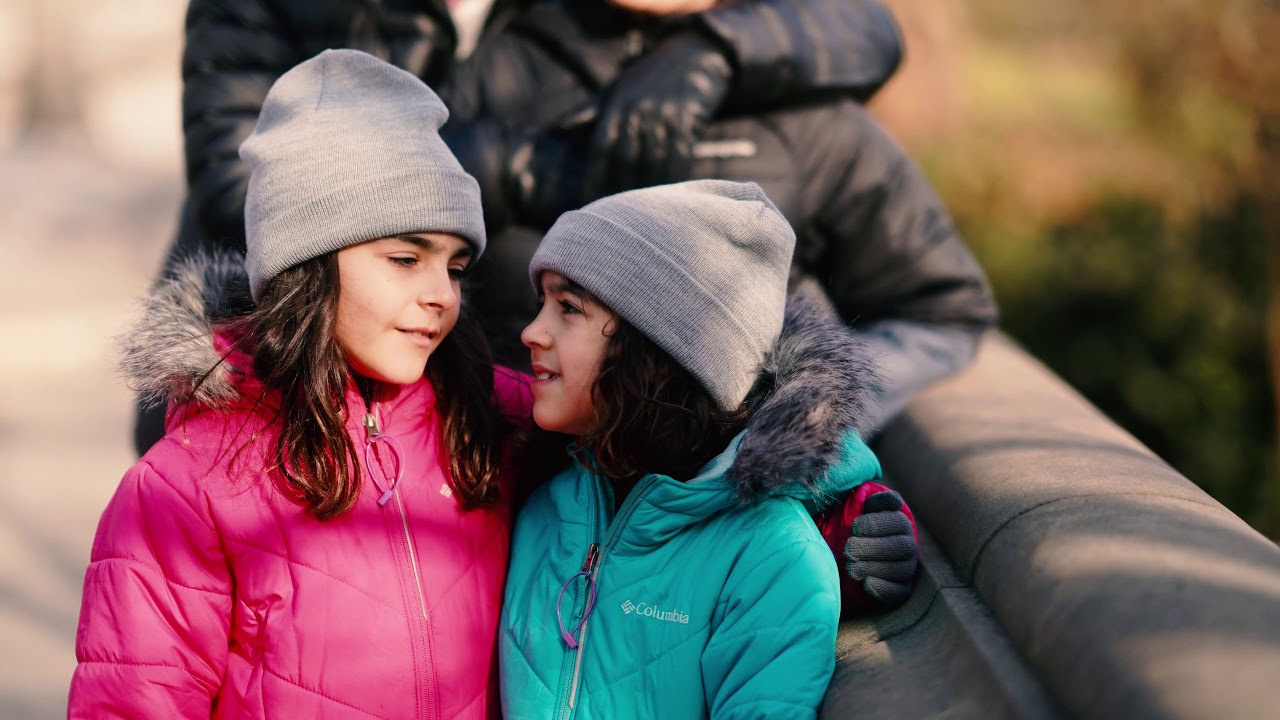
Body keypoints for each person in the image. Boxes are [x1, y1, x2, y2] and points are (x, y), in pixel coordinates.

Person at [136, 0, 904, 454]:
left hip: (485, 379)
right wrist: (496, 176)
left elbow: (864, 26)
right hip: (279, 359)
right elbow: (238, 179)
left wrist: (716, 48)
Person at [69, 50, 530, 719]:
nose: (441, 296)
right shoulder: (187, 488)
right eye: (405, 259)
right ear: (306, 268)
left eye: (455, 268)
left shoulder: (491, 423)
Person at [443, 1, 999, 432]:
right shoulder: (493, 73)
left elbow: (941, 313)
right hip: (521, 500)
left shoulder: (809, 109)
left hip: (731, 507)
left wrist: (802, 410)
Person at [500, 179, 887, 718]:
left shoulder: (772, 555)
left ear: (658, 349)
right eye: (540, 303)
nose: (531, 332)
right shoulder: (544, 506)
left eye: (568, 307)